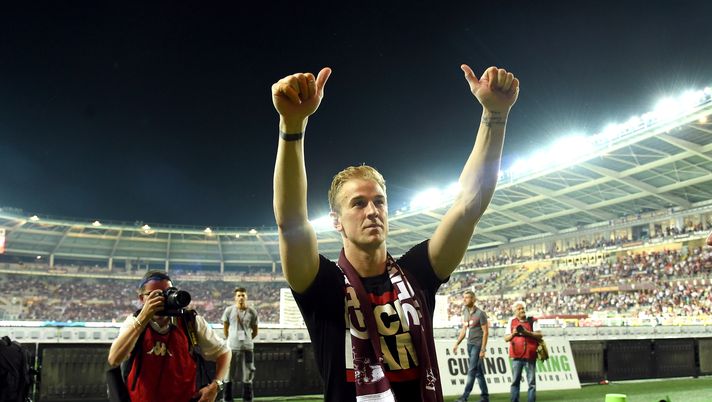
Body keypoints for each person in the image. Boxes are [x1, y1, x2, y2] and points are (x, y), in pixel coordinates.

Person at [272, 63, 519, 402]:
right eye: (358, 203)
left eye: (379, 201)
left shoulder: (417, 272)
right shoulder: (322, 285)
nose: (372, 211)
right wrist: (292, 126)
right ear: (336, 220)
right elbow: (291, 223)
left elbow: (468, 206)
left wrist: (495, 115)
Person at [107, 271, 230, 402]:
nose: (161, 300)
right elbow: (114, 359)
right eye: (154, 295)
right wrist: (143, 319)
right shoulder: (134, 322)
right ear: (141, 298)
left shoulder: (190, 321)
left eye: (167, 294)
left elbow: (224, 352)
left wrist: (216, 385)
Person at [222, 287, 259, 402]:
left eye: (243, 295)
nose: (241, 297)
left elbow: (255, 330)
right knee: (228, 374)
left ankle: (247, 399)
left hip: (247, 348)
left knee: (248, 374)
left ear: (246, 297)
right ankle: (227, 399)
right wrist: (232, 339)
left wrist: (247, 340)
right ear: (235, 298)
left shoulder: (252, 311)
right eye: (238, 295)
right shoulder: (229, 310)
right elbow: (225, 329)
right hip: (232, 347)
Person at [452, 290, 489, 402]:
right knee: (478, 372)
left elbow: (486, 332)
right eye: (464, 297)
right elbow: (464, 329)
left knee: (472, 370)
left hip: (477, 345)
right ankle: (485, 397)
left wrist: (483, 349)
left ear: (473, 299)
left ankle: (465, 396)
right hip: (469, 344)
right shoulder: (466, 312)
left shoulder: (480, 313)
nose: (465, 299)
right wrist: (457, 343)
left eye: (467, 297)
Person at [504, 301, 542, 402]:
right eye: (519, 309)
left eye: (523, 308)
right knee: (515, 382)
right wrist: (513, 334)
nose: (522, 310)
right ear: (515, 312)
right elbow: (506, 338)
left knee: (531, 383)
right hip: (516, 356)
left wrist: (526, 332)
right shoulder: (511, 322)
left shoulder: (532, 321)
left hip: (530, 355)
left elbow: (539, 335)